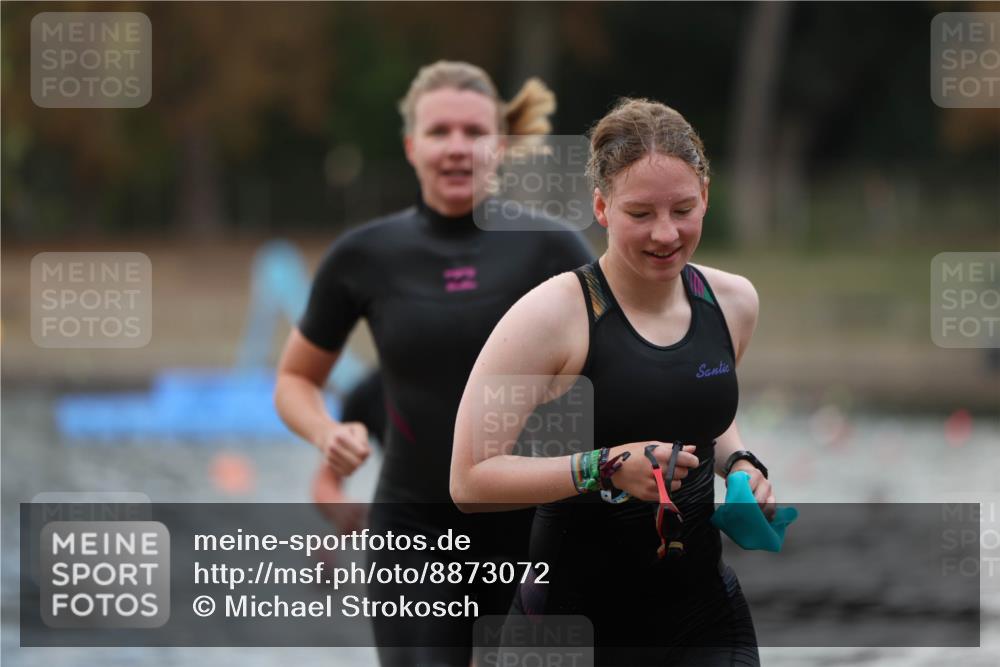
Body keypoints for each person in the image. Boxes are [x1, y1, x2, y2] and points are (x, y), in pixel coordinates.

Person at [274, 61, 594, 666]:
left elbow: (623, 359)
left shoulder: (555, 248)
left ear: (499, 146)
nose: (456, 147)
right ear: (410, 146)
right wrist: (326, 431)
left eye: (473, 132)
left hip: (536, 530)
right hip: (414, 537)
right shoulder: (362, 257)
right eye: (439, 131)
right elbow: (294, 379)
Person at [451, 98, 776, 666]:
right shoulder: (552, 316)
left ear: (706, 196)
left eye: (682, 209)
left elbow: (705, 413)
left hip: (702, 618)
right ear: (601, 208)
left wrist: (742, 463)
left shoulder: (732, 303)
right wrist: (600, 466)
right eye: (640, 213)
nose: (666, 234)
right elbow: (470, 479)